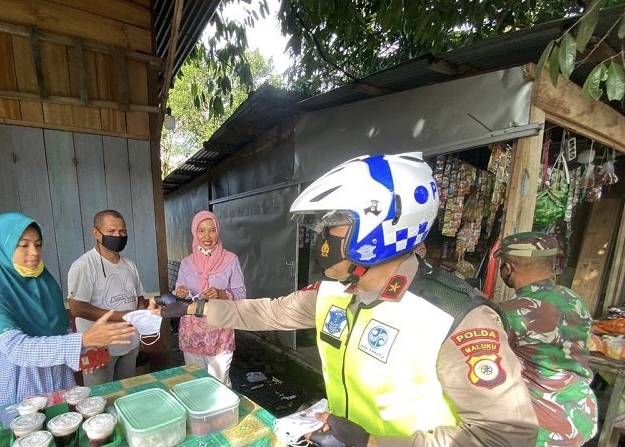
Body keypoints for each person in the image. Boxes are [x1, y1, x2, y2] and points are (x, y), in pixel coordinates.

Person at [156, 152, 538, 447]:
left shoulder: (455, 317)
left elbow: (504, 436)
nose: (320, 240)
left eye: (331, 226)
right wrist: (194, 308)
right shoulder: (334, 291)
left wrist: (372, 443)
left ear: (381, 229)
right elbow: (269, 311)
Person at [0, 212, 135, 407]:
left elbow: (59, 332)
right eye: (23, 245)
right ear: (2, 247)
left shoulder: (46, 284)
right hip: (21, 384)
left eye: (38, 244)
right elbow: (17, 348)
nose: (33, 252)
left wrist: (87, 350)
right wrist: (82, 340)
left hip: (59, 379)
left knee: (66, 429)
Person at [494, 232, 598, 447]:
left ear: (508, 267)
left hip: (542, 425)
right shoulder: (573, 298)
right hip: (581, 410)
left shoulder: (512, 312)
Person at [68, 209, 147, 386]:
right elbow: (77, 308)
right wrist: (119, 316)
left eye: (122, 231)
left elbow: (139, 297)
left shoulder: (130, 265)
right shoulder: (84, 265)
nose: (118, 236)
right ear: (96, 233)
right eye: (111, 231)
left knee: (126, 394)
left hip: (129, 344)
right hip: (99, 347)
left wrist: (142, 317)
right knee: (102, 398)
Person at [174, 210, 246, 386]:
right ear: (194, 233)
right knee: (195, 381)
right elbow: (178, 291)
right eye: (201, 231)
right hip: (192, 331)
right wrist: (180, 292)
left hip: (219, 330)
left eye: (212, 230)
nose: (207, 236)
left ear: (218, 231)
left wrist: (222, 294)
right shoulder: (187, 262)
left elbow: (242, 293)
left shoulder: (230, 260)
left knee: (218, 382)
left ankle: (222, 414)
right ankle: (200, 414)